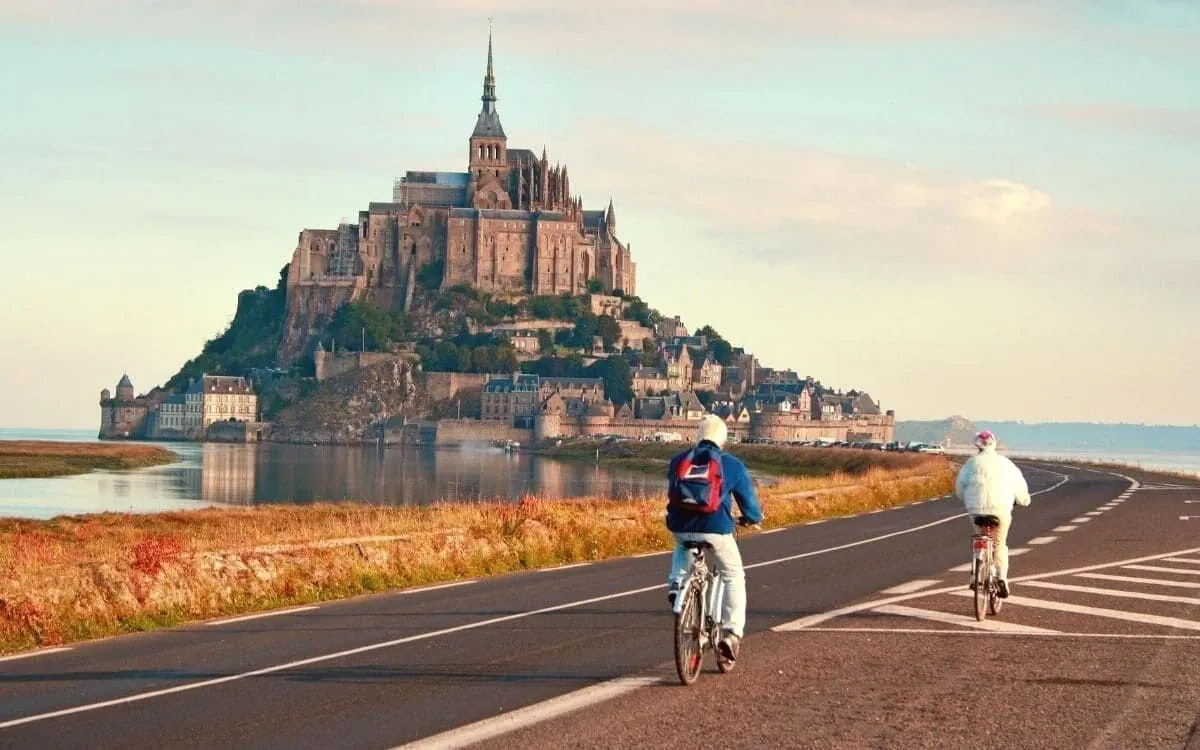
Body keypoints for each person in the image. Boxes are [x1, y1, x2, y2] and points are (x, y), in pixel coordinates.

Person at [666, 414, 763, 662]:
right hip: (715, 528)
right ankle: (731, 634)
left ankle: (677, 586)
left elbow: (673, 494)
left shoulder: (679, 460)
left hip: (680, 526)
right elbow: (749, 504)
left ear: (698, 435)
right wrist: (752, 518)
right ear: (723, 440)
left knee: (682, 543)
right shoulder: (731, 464)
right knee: (733, 575)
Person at [955, 430, 1031, 598]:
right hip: (1000, 509)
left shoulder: (971, 463)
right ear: (994, 444)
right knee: (999, 545)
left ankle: (976, 572)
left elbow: (960, 488)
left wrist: (968, 500)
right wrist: (1023, 501)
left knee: (980, 537)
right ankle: (1001, 577)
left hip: (976, 509)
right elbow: (1020, 487)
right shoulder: (1005, 463)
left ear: (977, 446)